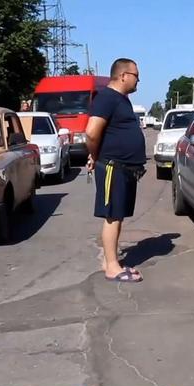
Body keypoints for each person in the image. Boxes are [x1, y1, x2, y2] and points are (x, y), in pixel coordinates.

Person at [85, 58, 147, 282]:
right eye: (136, 75)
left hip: (124, 168)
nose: (138, 80)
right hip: (113, 166)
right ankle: (112, 267)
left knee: (118, 215)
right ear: (123, 76)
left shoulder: (121, 100)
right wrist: (94, 155)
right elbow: (91, 132)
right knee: (112, 216)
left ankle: (110, 261)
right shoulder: (106, 98)